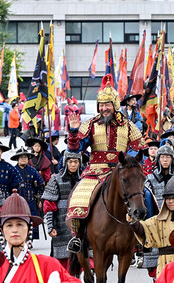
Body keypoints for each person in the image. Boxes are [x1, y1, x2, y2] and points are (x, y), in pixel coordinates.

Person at [65, 74, 147, 253]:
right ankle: (77, 237)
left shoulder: (128, 125)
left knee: (147, 196)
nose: (104, 108)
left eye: (107, 104)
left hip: (122, 171)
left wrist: (130, 163)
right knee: (78, 197)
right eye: (101, 105)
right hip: (95, 171)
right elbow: (76, 148)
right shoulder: (90, 124)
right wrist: (73, 131)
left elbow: (138, 148)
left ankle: (145, 235)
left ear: (115, 105)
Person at [136, 177, 174, 277]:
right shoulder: (158, 220)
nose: (170, 201)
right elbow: (144, 232)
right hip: (165, 265)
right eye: (167, 198)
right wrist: (133, 223)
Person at [41, 150, 81, 270]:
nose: (73, 165)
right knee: (62, 263)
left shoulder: (84, 180)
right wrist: (50, 226)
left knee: (83, 259)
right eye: (70, 162)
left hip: (81, 223)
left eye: (76, 162)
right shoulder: (55, 180)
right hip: (61, 224)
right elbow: (48, 206)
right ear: (65, 162)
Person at [12, 145, 45, 239]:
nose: (23, 159)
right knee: (18, 220)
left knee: (31, 220)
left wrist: (40, 200)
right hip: (17, 201)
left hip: (31, 200)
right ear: (17, 159)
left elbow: (40, 186)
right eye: (21, 157)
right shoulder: (13, 171)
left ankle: (30, 239)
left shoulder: (33, 171)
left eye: (25, 157)